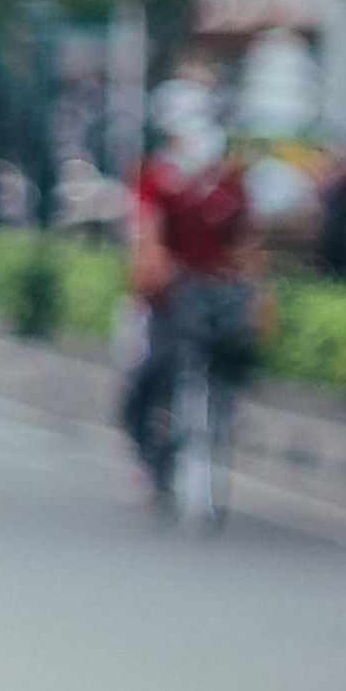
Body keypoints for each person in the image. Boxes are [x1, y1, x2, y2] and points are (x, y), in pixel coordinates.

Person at [119, 64, 259, 495]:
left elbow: (248, 243)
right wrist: (160, 270)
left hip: (216, 297)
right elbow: (146, 238)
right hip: (166, 300)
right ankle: (151, 453)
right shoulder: (153, 179)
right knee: (148, 376)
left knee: (236, 358)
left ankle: (224, 419)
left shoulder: (230, 181)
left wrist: (251, 288)